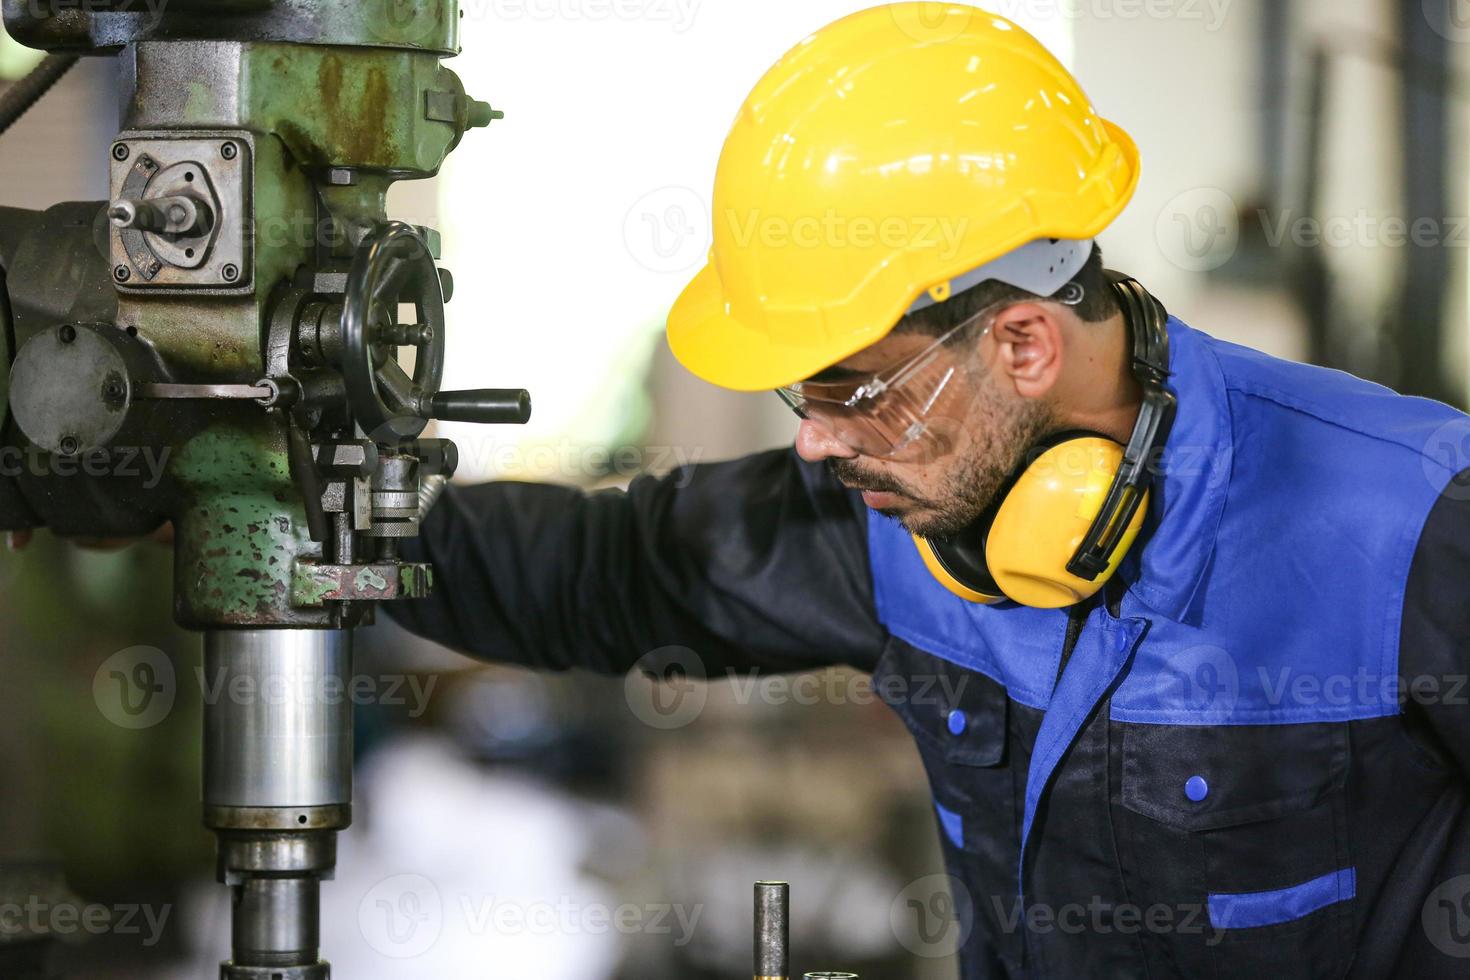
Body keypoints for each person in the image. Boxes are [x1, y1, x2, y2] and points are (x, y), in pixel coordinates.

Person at [389, 5, 1470, 976]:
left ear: (1023, 342)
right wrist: (339, 520)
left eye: (852, 387)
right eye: (798, 391)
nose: (814, 442)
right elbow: (617, 568)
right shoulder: (902, 501)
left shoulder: (1412, 517)